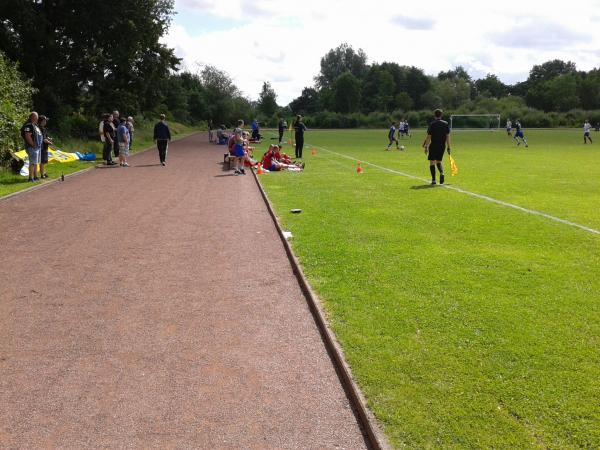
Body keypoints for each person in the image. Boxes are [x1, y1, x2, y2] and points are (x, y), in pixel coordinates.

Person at [422, 109, 451, 185]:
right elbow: (447, 136)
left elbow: (429, 137)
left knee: (432, 162)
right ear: (441, 115)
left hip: (434, 145)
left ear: (434, 115)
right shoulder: (445, 124)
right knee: (439, 161)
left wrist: (426, 147)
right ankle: (442, 173)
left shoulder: (432, 124)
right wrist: (448, 147)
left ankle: (434, 180)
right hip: (442, 146)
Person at [20, 111, 43, 182]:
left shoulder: (34, 125)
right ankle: (30, 178)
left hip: (37, 147)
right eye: (36, 117)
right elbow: (27, 136)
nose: (37, 118)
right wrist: (33, 144)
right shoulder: (28, 125)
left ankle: (35, 177)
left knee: (35, 163)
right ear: (33, 117)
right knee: (32, 163)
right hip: (32, 147)